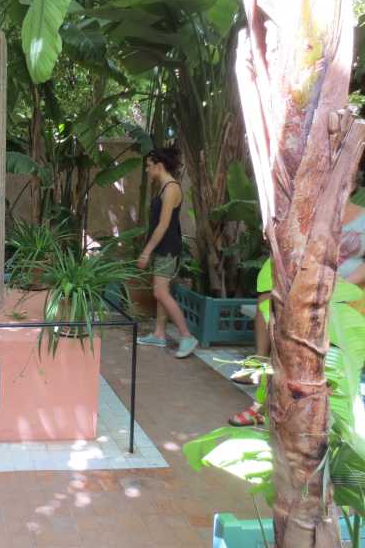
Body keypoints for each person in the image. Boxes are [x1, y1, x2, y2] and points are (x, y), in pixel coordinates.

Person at [228, 188, 365, 426]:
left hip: (347, 299)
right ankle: (263, 398)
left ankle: (328, 420)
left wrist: (337, 288)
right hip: (307, 291)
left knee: (332, 363)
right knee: (277, 326)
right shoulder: (312, 215)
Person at [136, 147, 199, 358]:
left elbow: (162, 226)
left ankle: (186, 336)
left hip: (167, 248)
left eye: (148, 166)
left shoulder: (171, 188)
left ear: (159, 166)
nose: (147, 170)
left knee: (160, 292)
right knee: (161, 291)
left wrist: (146, 252)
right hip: (163, 247)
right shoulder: (164, 187)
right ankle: (159, 334)